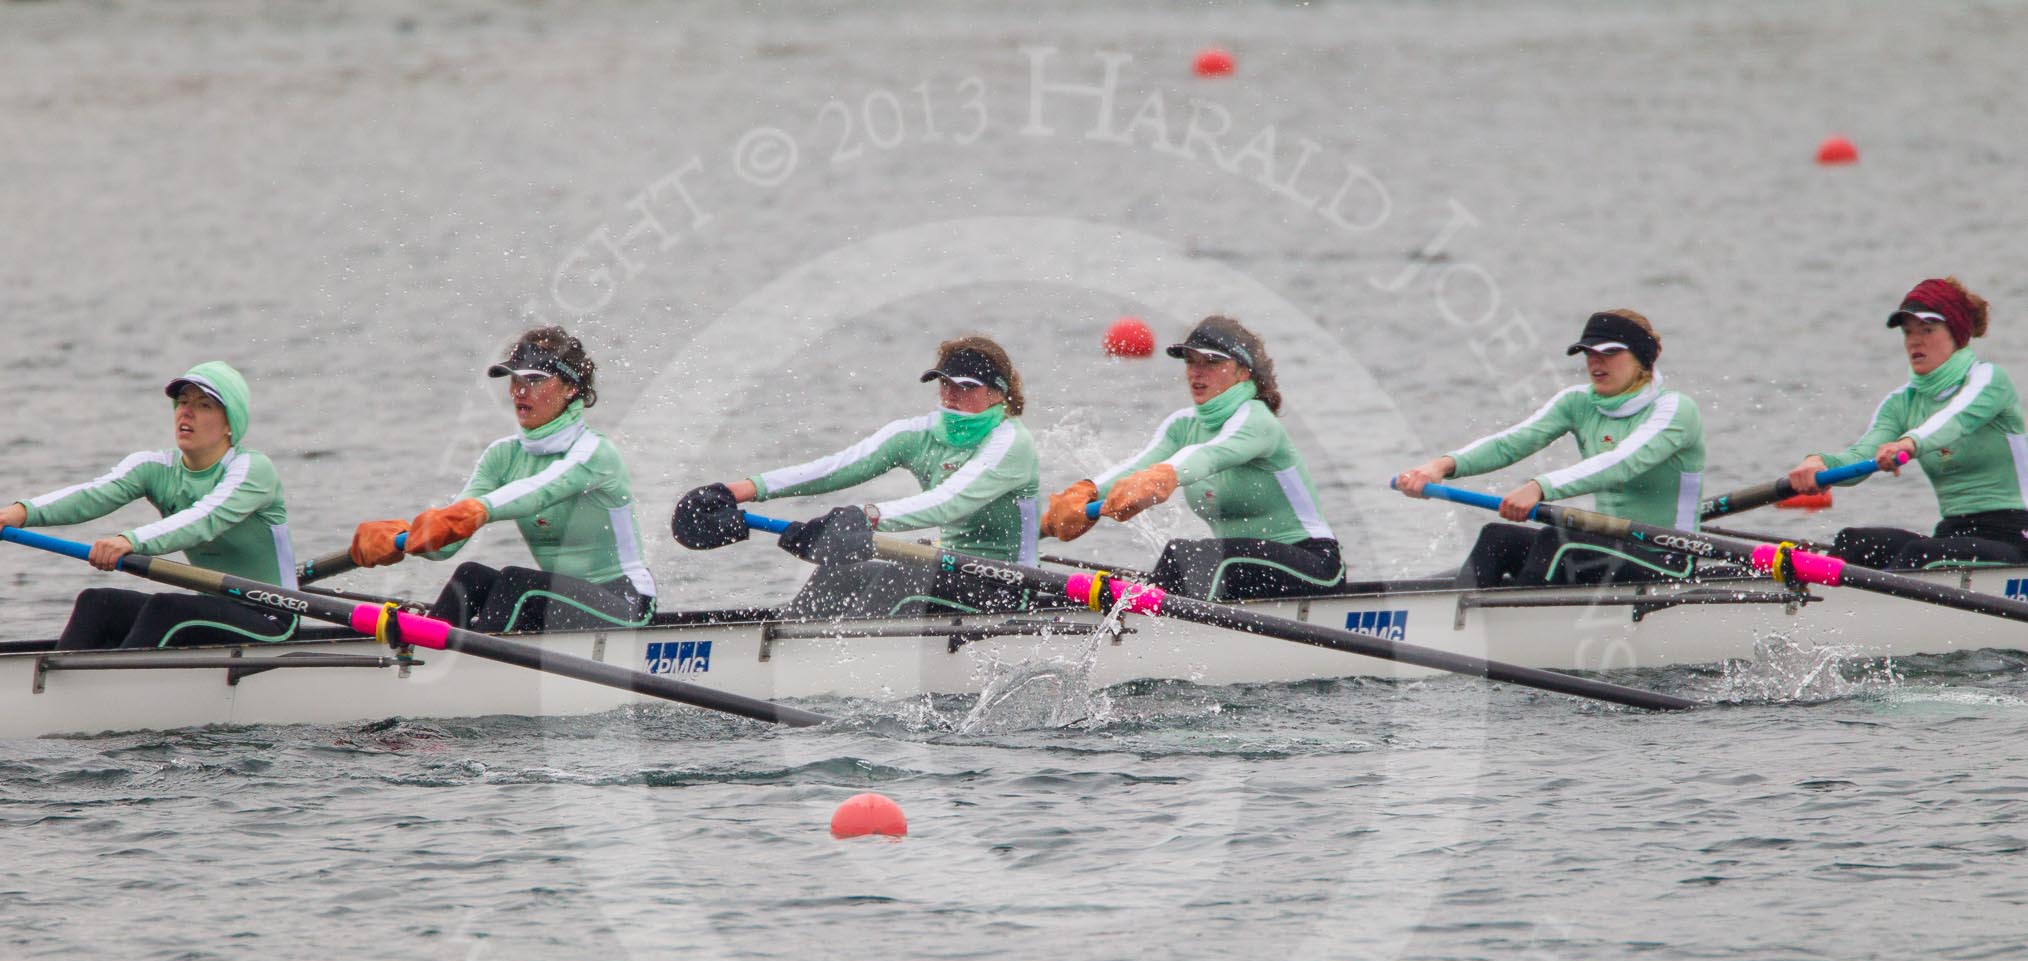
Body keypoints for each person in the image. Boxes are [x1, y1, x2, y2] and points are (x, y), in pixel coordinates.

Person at [673, 336, 1044, 616]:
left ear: (998, 393)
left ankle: (836, 667)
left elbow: (948, 502)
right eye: (945, 383)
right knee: (837, 573)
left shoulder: (1011, 443)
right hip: (949, 570)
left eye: (966, 387)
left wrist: (866, 517)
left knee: (901, 580)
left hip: (1008, 585)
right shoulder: (921, 434)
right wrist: (740, 490)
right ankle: (782, 654)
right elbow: (841, 465)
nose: (950, 395)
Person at [348, 327, 657, 632]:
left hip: (626, 601)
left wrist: (472, 512)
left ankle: (468, 672)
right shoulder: (503, 456)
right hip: (558, 599)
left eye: (535, 379)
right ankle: (424, 659)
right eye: (515, 378)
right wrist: (404, 537)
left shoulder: (594, 453)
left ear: (570, 388)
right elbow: (446, 545)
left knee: (516, 583)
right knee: (469, 578)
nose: (519, 390)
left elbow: (538, 491)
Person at [1393, 309, 1707, 587]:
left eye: (1609, 352)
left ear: (1644, 355)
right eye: (1587, 353)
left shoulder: (1675, 410)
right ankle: (1454, 627)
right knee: (1496, 538)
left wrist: (1539, 487)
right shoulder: (1578, 403)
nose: (1596, 362)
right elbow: (1511, 442)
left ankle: (1518, 634)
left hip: (1668, 560)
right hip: (1609, 549)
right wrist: (1440, 466)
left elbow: (1620, 463)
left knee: (1556, 541)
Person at [1039, 315, 1342, 601]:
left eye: (1212, 362)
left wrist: (1159, 478)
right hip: (1246, 572)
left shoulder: (1257, 421)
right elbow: (1135, 466)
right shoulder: (1181, 425)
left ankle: (1149, 632)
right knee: (1181, 564)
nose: (1197, 371)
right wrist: (1083, 494)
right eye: (1191, 361)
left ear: (1243, 372)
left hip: (1314, 567)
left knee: (1186, 556)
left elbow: (1207, 455)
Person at [0, 362, 297, 650]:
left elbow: (203, 519)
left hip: (271, 616)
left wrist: (129, 541)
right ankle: (56, 692)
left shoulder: (252, 469)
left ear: (231, 424)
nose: (187, 412)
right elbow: (92, 494)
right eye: (182, 402)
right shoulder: (156, 467)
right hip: (214, 608)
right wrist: (17, 513)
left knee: (167, 608)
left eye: (204, 405)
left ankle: (113, 690)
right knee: (97, 602)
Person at [1785, 277, 2028, 569]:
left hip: (2015, 535)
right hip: (1953, 533)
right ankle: (1825, 607)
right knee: (1855, 543)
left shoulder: (1989, 380)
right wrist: (1817, 463)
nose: (1915, 340)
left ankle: (1870, 609)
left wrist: (1908, 444)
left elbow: (1953, 420)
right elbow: (1859, 456)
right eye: (1908, 332)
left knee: (1919, 554)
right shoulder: (1902, 402)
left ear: (1957, 333)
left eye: (1927, 330)